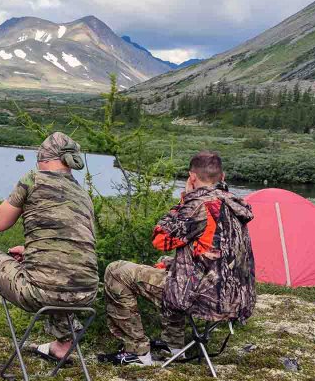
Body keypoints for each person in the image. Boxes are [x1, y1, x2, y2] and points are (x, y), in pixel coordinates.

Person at [100, 150, 255, 366]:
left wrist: (184, 200)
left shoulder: (199, 205)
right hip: (234, 298)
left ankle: (137, 352)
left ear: (192, 178)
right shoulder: (234, 206)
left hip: (203, 297)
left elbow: (160, 238)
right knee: (171, 268)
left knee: (116, 271)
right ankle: (174, 347)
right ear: (223, 176)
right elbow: (216, 256)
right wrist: (173, 264)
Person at [0, 132, 98, 362]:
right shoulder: (83, 193)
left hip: (38, 293)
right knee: (63, 273)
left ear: (43, 158)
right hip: (85, 294)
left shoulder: (33, 178)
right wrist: (32, 250)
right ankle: (63, 345)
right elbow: (73, 245)